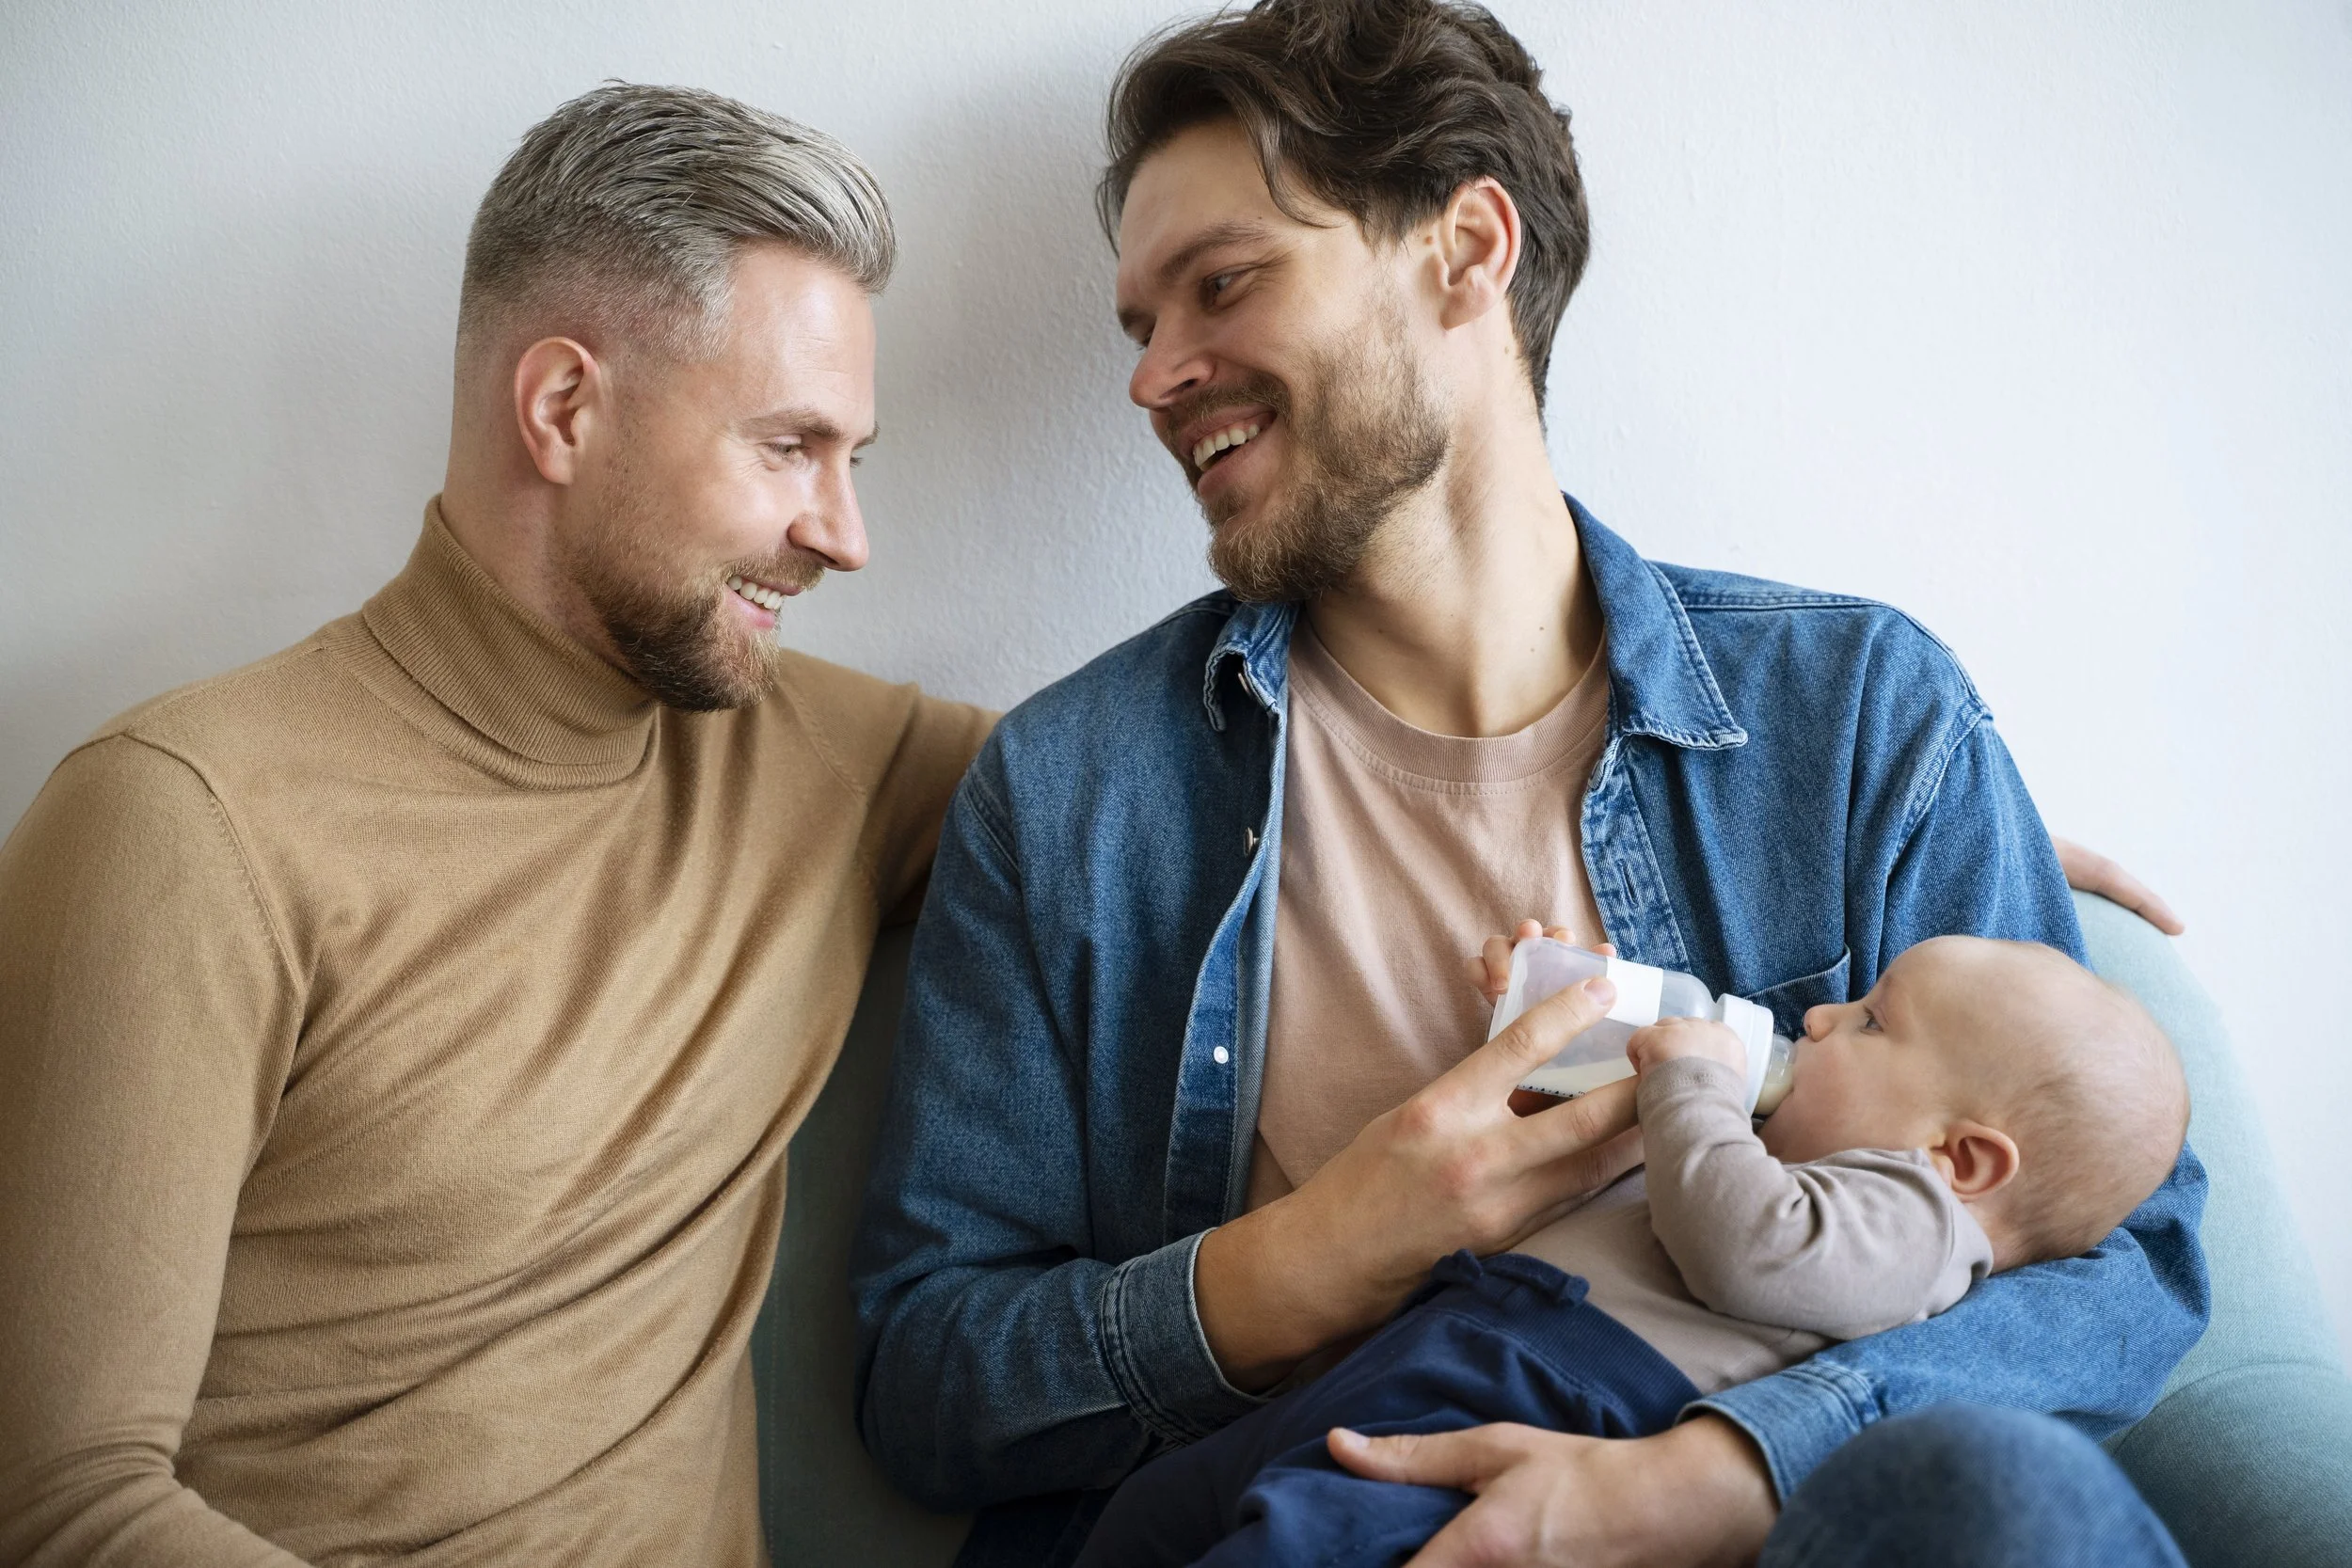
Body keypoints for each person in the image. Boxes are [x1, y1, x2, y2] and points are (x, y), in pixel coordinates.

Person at [849, 3, 2208, 1565]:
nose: (1156, 377)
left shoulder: (1853, 723)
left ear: (1467, 250)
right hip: (1301, 1521)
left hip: (1759, 1540)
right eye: (1139, 327)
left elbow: (2123, 1260)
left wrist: (1709, 1477)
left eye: (1221, 285)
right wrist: (1306, 1259)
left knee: (2007, 1505)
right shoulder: (1075, 794)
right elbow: (925, 1375)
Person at [0, 84, 990, 1564]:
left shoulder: (828, 763)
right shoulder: (185, 819)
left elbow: (1209, 783)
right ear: (565, 409)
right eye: (789, 448)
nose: (845, 533)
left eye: (854, 458)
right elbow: (67, 1498)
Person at [1075, 934, 2192, 1566]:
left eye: (1870, 1021)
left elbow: (1746, 1244)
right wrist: (1570, 1014)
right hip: (1449, 1349)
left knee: (1312, 1543)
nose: (1816, 1019)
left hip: (1548, 1394)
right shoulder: (1792, 1149)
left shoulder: (1917, 1223)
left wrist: (1692, 1083)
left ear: (1964, 1158)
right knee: (1154, 1515)